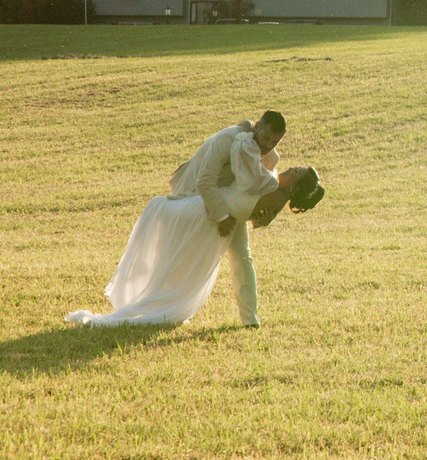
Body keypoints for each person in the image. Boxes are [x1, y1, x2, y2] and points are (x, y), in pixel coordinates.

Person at [66, 110, 316, 329]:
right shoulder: (228, 139)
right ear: (258, 125)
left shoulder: (270, 157)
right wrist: (221, 216)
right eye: (267, 138)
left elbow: (253, 195)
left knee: (242, 256)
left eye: (275, 142)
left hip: (227, 207)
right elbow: (204, 181)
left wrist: (261, 219)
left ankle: (250, 320)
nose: (268, 146)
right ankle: (159, 304)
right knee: (179, 258)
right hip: (193, 199)